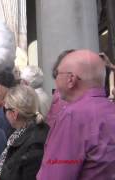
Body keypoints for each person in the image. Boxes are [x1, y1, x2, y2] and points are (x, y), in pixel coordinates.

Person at [37, 49, 115, 180]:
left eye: (57, 74)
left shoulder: (72, 116)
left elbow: (54, 176)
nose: (55, 80)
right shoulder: (110, 108)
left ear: (71, 79)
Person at [0, 85, 49, 180]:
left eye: (5, 109)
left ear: (14, 114)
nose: (4, 113)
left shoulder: (35, 144)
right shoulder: (21, 131)